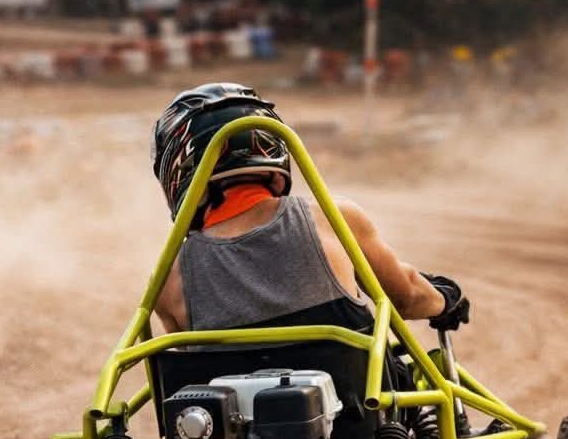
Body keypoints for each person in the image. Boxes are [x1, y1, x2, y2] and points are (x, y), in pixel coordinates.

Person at [148, 82, 469, 338]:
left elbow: (190, 378)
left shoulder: (168, 279)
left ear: (178, 167)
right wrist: (446, 300)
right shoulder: (333, 220)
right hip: (357, 413)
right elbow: (408, 296)